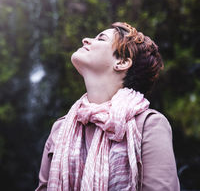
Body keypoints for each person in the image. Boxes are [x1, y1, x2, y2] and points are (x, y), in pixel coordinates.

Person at [35, 21, 180, 191]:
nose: (85, 40)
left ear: (122, 62)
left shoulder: (149, 125)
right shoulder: (60, 129)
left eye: (101, 39)